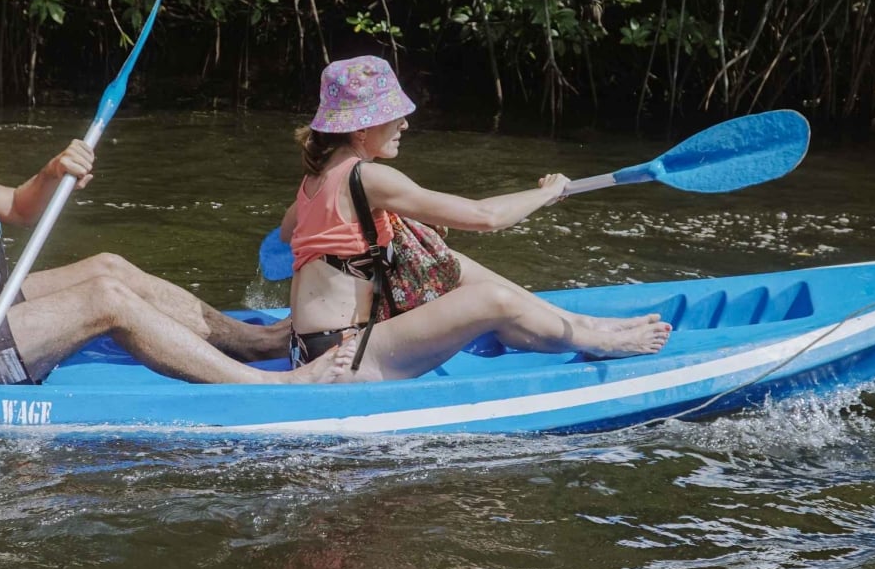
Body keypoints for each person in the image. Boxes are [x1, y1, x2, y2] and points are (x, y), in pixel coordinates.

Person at [0, 45, 353, 416]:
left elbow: (19, 208)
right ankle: (270, 387)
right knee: (104, 298)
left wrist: (52, 172)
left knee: (107, 265)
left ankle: (258, 342)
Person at [279, 56, 671, 381]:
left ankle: (585, 324)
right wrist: (548, 192)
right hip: (345, 359)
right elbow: (484, 217)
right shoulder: (367, 176)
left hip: (309, 349)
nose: (405, 124)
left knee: (453, 265)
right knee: (490, 300)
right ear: (362, 129)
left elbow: (286, 234)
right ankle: (600, 344)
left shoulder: (314, 180)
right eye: (394, 115)